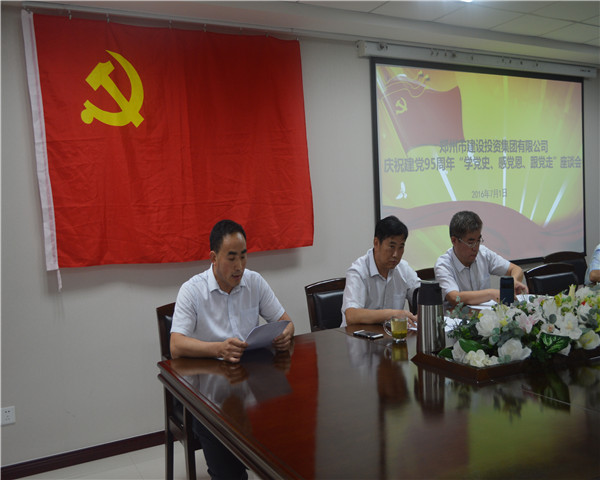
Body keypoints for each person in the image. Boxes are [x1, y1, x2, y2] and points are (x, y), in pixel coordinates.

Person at [170, 219, 294, 479]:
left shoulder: (254, 282)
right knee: (229, 473)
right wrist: (219, 348)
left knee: (287, 443)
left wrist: (285, 334)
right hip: (209, 398)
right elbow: (176, 345)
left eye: (244, 256)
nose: (239, 266)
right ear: (213, 258)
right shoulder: (192, 290)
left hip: (252, 388)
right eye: (232, 257)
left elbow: (286, 322)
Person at [435, 210, 528, 307]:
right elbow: (454, 297)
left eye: (478, 240)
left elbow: (515, 269)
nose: (475, 248)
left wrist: (514, 281)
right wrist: (490, 294)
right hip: (458, 316)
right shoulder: (443, 265)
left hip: (486, 314)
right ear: (454, 240)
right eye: (470, 242)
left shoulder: (483, 253)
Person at [341, 215, 419, 327]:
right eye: (391, 246)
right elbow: (351, 316)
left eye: (401, 247)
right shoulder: (358, 271)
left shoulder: (403, 268)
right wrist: (393, 314)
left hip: (390, 335)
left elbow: (421, 294)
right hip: (357, 335)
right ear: (376, 243)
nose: (396, 254)